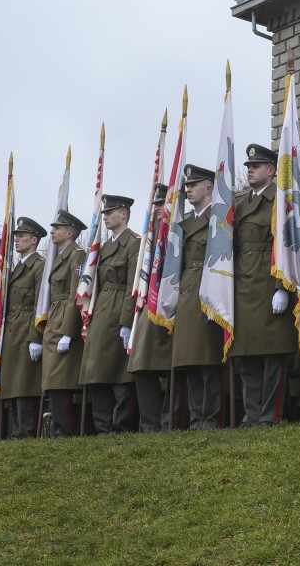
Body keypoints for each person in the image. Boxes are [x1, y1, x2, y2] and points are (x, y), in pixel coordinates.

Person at [229, 145, 298, 426]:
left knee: (272, 356)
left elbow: (285, 246)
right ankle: (252, 413)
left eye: (255, 166)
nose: (249, 170)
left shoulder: (280, 201)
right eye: (248, 166)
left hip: (269, 284)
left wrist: (281, 287)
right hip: (244, 286)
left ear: (271, 171)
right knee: (248, 357)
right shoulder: (240, 205)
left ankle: (270, 415)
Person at [79, 195, 139, 434]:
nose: (105, 216)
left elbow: (132, 285)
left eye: (110, 212)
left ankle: (119, 425)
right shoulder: (102, 249)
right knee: (98, 372)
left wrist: (126, 321)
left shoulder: (135, 243)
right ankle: (102, 426)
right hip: (102, 309)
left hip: (118, 310)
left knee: (119, 373)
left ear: (123, 214)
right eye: (104, 212)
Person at [173, 164, 227, 429]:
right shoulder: (182, 226)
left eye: (193, 185)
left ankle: (211, 417)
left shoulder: (219, 220)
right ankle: (197, 418)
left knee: (208, 360)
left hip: (208, 289)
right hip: (186, 292)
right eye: (186, 186)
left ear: (208, 188)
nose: (188, 190)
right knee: (191, 362)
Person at [127, 184, 174, 432]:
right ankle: (150, 423)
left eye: (162, 203)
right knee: (141, 366)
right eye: (155, 204)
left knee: (172, 367)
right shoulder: (148, 240)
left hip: (173, 307)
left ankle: (168, 421)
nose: (157, 208)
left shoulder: (180, 230)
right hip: (148, 307)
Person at [41, 210, 87, 437]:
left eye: (57, 228)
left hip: (64, 321)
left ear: (69, 232)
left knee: (62, 381)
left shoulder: (77, 255)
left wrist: (69, 331)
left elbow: (75, 295)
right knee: (53, 381)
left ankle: (66, 431)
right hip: (55, 318)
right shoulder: (61, 256)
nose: (52, 232)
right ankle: (58, 429)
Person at [0, 217, 46, 439]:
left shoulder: (39, 265)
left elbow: (40, 302)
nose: (16, 240)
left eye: (22, 236)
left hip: (26, 328)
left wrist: (36, 337)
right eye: (16, 236)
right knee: (13, 384)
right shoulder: (15, 267)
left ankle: (26, 433)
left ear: (34, 240)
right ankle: (15, 432)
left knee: (25, 384)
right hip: (12, 330)